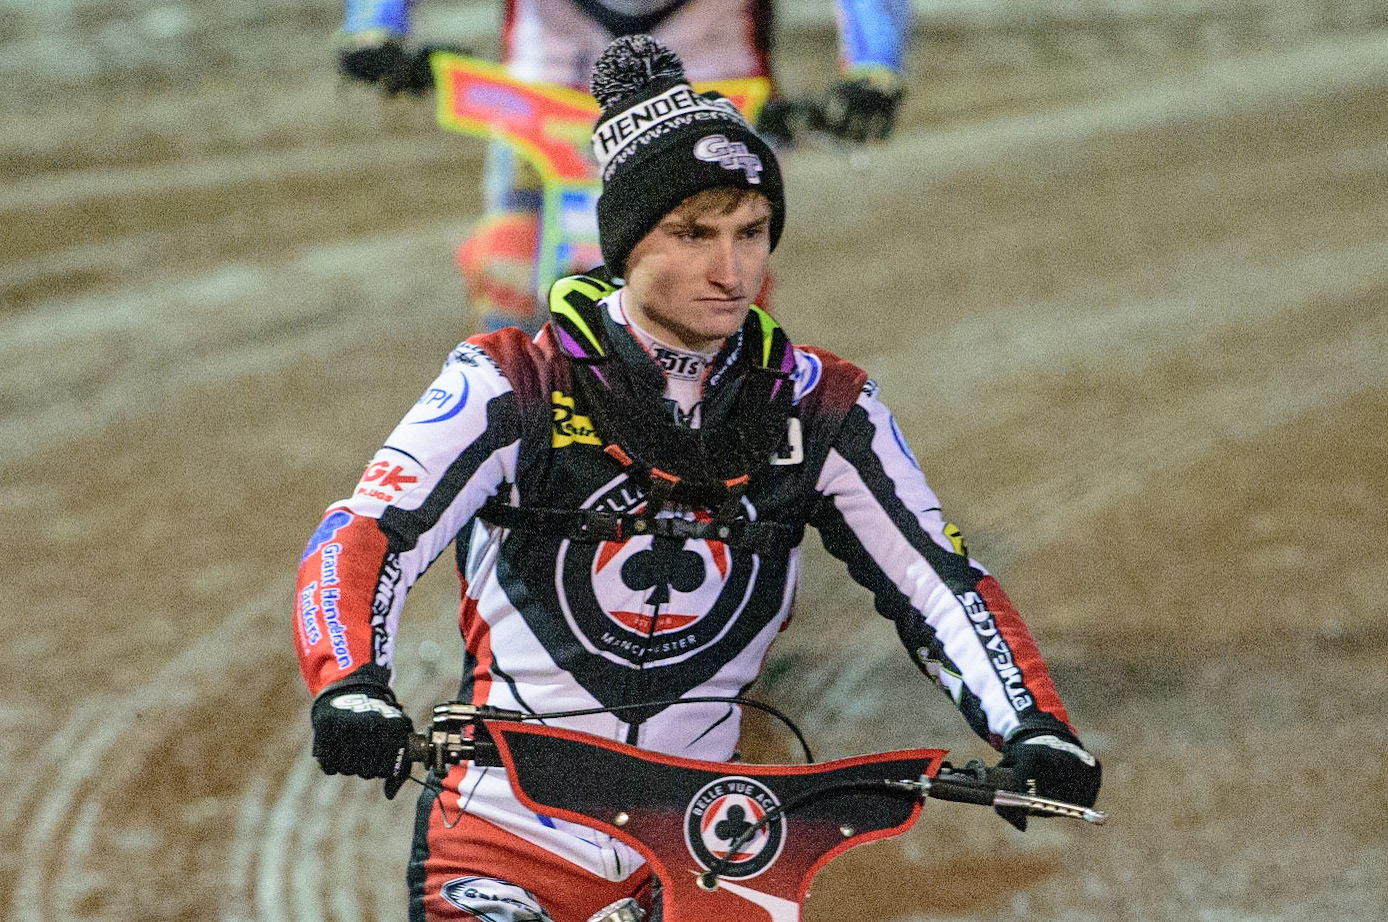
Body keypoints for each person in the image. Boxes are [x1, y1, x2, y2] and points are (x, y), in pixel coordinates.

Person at [296, 35, 1102, 922]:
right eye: (693, 235)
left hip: (708, 853)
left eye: (750, 232)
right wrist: (351, 683)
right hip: (503, 845)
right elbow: (366, 533)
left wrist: (1032, 723)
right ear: (627, 243)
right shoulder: (510, 382)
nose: (732, 270)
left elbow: (935, 579)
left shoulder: (822, 405)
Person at [335, 0, 915, 332]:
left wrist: (874, 67)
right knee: (508, 280)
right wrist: (375, 27)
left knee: (718, 292)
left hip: (705, 86)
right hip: (550, 92)